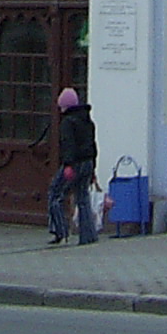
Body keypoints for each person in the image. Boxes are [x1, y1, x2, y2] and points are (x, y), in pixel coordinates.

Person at [47, 87, 97, 245]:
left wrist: (68, 165)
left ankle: (60, 231)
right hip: (88, 163)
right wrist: (93, 168)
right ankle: (88, 236)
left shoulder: (67, 122)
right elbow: (92, 145)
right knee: (83, 198)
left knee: (55, 193)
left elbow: (68, 144)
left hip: (74, 164)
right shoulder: (87, 121)